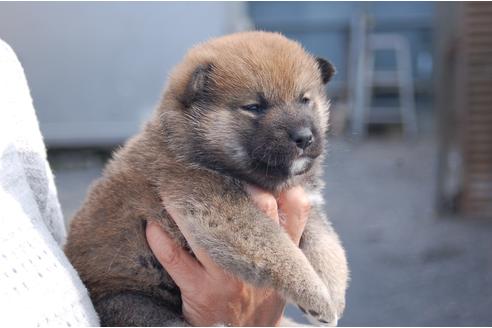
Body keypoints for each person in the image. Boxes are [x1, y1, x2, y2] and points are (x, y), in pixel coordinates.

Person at [0, 38, 310, 326]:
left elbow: (49, 234)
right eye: (255, 108)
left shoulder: (7, 68)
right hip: (135, 296)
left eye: (304, 100)